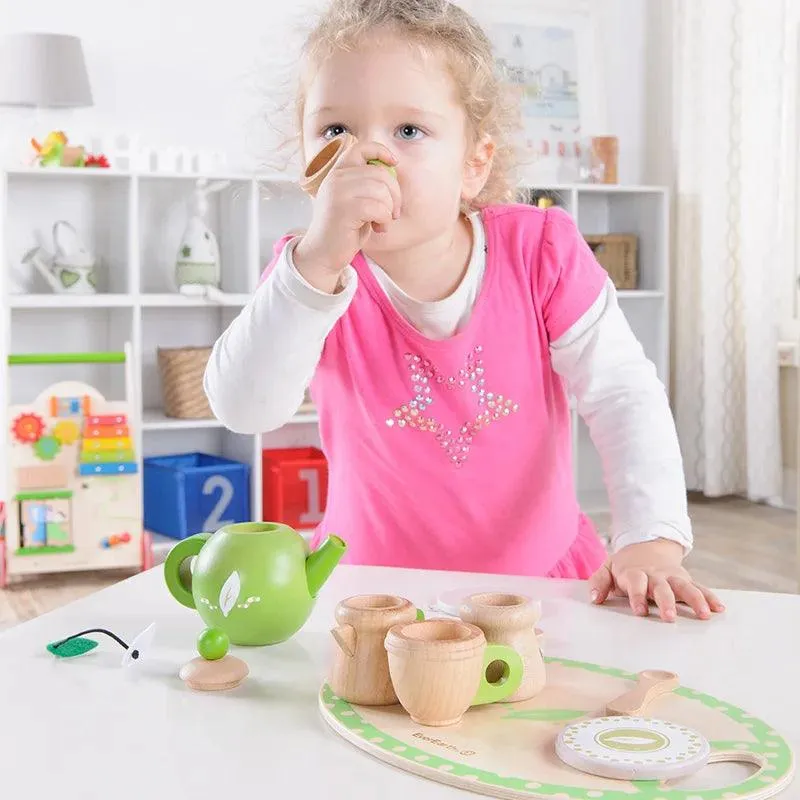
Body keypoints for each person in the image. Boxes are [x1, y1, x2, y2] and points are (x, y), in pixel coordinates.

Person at [204, 0, 724, 623]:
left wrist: (652, 536)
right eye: (335, 131)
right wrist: (313, 267)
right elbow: (244, 408)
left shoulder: (540, 253)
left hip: (543, 584)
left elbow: (621, 394)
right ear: (308, 161)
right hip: (373, 595)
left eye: (409, 131)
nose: (368, 157)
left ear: (473, 164)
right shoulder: (308, 278)